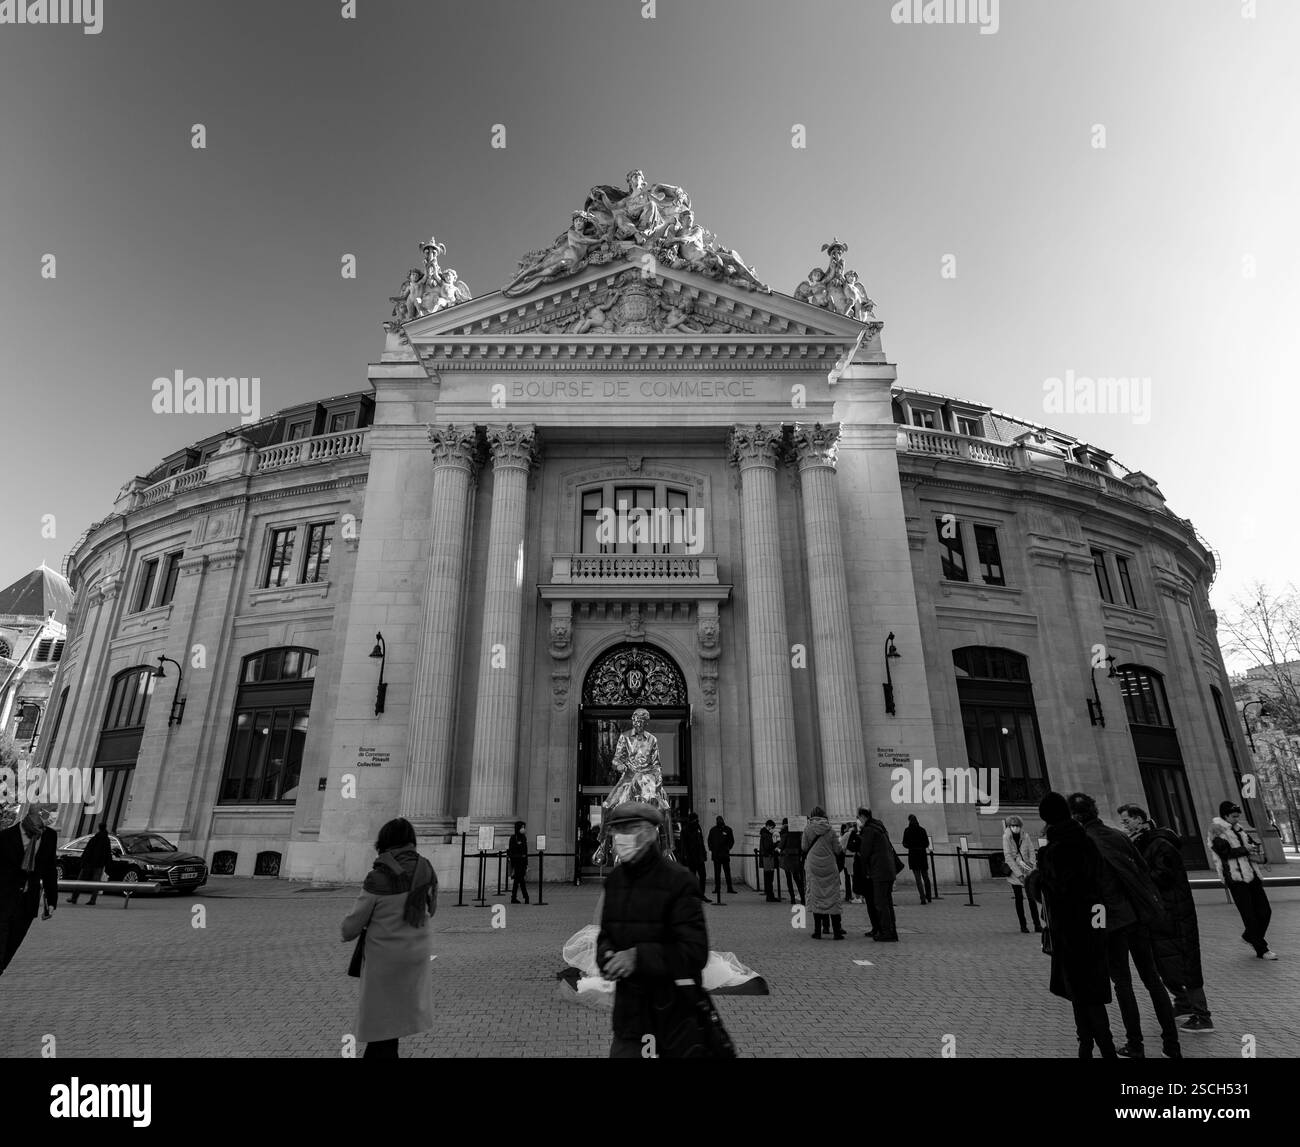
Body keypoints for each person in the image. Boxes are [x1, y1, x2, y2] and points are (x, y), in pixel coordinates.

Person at [1068, 792, 1180, 1059]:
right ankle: (1172, 1045)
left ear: (1074, 817)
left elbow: (1084, 890)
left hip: (1111, 922)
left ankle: (1136, 1045)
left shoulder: (1082, 843)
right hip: (1136, 918)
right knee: (1153, 980)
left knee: (1123, 984)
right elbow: (1142, 872)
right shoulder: (1118, 836)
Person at [596, 802, 708, 1057]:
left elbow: (695, 953)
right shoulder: (614, 883)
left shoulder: (679, 881)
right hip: (629, 1020)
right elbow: (606, 937)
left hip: (674, 1017)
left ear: (648, 833)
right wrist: (607, 957)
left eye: (627, 830)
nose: (618, 838)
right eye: (616, 831)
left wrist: (637, 957)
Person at [1029, 792, 1117, 1058]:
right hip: (1093, 926)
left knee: (1081, 995)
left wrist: (1034, 879)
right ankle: (1092, 1046)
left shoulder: (1053, 852)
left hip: (1069, 933)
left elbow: (1049, 892)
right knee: (1088, 993)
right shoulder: (1087, 843)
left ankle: (1097, 1046)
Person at [340, 817, 437, 1058]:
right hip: (415, 956)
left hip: (385, 961)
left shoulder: (379, 876)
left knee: (380, 1027)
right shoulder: (426, 869)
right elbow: (431, 910)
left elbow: (350, 927)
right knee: (391, 1026)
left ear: (384, 842)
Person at [1118, 803, 1214, 1033]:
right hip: (1157, 913)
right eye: (1123, 821)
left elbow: (1164, 876)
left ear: (1140, 819)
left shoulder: (1160, 844)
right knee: (1163, 961)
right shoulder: (1141, 843)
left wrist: (1135, 874)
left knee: (1185, 963)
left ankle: (1203, 1015)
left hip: (1174, 913)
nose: (1125, 825)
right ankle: (1182, 1003)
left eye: (1127, 820)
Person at [1209, 800, 1276, 960]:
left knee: (1265, 911)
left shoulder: (1239, 829)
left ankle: (1250, 936)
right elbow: (1224, 852)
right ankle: (1262, 949)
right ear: (1225, 816)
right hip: (1235, 877)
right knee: (1249, 915)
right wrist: (1246, 849)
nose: (1237, 819)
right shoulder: (1217, 830)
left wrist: (1258, 853)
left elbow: (1251, 845)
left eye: (1238, 816)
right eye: (1233, 816)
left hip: (1252, 875)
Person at [0, 804, 59, 976]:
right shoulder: (6, 837)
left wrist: (51, 900)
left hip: (26, 905)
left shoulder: (49, 837)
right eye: (50, 813)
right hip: (2, 901)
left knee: (7, 954)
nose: (53, 817)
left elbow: (49, 869)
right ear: (37, 814)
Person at [801, 807, 845, 939]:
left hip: (813, 865)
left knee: (816, 897)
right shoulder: (830, 830)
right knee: (833, 896)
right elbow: (837, 849)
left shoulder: (807, 829)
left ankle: (818, 931)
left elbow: (804, 847)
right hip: (829, 866)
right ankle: (837, 932)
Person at [857, 807, 900, 942]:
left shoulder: (869, 830)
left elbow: (865, 852)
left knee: (880, 903)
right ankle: (891, 931)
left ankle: (886, 932)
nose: (858, 820)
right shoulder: (879, 828)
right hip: (888, 869)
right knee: (887, 902)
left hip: (879, 870)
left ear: (863, 817)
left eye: (858, 817)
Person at [1002, 815, 1041, 933]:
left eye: (1017, 825)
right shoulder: (1006, 837)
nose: (1015, 828)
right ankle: (1023, 925)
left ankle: (1037, 924)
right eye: (1013, 825)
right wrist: (1019, 874)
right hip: (1015, 872)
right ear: (1009, 826)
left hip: (1027, 869)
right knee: (1019, 898)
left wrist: (1032, 867)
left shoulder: (1025, 836)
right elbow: (1008, 857)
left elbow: (1031, 851)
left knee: (1031, 898)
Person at [68, 823, 113, 907]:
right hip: (99, 865)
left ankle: (74, 898)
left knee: (80, 881)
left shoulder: (94, 838)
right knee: (96, 883)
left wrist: (83, 862)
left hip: (89, 863)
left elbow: (87, 851)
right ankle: (93, 900)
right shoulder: (107, 840)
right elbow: (108, 853)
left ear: (98, 828)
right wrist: (107, 865)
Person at [902, 814, 932, 904]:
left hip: (913, 855)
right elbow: (927, 843)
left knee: (918, 879)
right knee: (926, 877)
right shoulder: (922, 830)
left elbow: (904, 843)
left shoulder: (907, 831)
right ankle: (929, 896)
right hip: (922, 855)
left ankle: (922, 898)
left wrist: (911, 846)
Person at [678, 812, 709, 900]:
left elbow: (701, 841)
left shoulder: (698, 828)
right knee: (693, 877)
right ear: (692, 820)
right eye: (696, 819)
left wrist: (704, 853)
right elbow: (683, 845)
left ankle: (701, 895)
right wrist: (685, 857)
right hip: (691, 858)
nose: (697, 821)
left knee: (703, 876)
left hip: (700, 857)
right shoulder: (685, 830)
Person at [706, 815, 736, 897]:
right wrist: (712, 849)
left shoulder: (728, 829)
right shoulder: (713, 830)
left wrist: (728, 848)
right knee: (717, 873)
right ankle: (717, 888)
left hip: (724, 854)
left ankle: (729, 888)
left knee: (727, 872)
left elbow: (731, 841)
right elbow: (709, 840)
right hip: (716, 855)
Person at [779, 818, 805, 905]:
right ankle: (803, 898)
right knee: (798, 879)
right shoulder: (797, 833)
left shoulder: (784, 832)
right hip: (796, 857)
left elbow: (781, 845)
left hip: (787, 857)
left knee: (789, 879)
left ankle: (792, 898)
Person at [507, 820, 530, 905]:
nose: (523, 829)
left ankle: (514, 897)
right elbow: (511, 852)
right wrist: (520, 857)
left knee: (517, 880)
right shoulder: (513, 838)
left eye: (524, 827)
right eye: (522, 827)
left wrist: (526, 863)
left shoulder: (524, 837)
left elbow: (526, 851)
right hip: (516, 863)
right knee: (521, 880)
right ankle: (526, 896)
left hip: (523, 863)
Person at [759, 819, 780, 902]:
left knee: (768, 877)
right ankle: (770, 896)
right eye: (772, 827)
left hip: (766, 857)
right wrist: (776, 843)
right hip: (768, 857)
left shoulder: (764, 834)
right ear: (768, 826)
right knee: (769, 878)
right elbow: (769, 846)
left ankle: (769, 895)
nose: (773, 829)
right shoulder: (767, 835)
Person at [839, 822, 859, 903]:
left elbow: (841, 846)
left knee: (849, 878)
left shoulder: (847, 834)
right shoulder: (858, 833)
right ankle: (858, 896)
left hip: (848, 858)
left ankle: (852, 896)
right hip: (856, 858)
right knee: (855, 877)